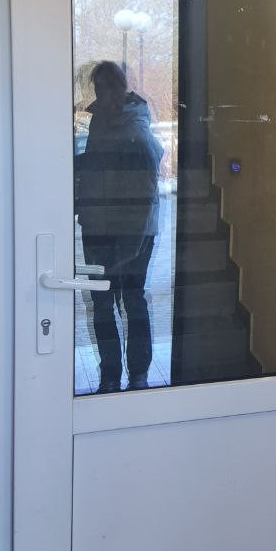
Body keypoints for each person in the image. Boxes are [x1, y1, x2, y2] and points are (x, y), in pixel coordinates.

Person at [75, 61, 164, 393]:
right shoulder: (100, 120)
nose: (102, 94)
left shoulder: (135, 129)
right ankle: (110, 376)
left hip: (133, 232)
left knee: (132, 300)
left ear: (122, 88)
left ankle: (137, 376)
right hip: (98, 226)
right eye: (97, 88)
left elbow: (147, 193)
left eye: (108, 87)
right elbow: (99, 168)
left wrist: (132, 247)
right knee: (102, 303)